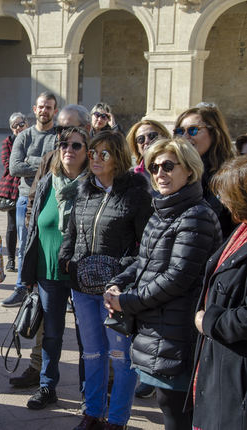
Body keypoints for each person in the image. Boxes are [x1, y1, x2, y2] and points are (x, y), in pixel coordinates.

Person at [104, 138, 221, 430]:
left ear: (190, 171)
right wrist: (118, 283)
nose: (160, 173)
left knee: (176, 410)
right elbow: (144, 261)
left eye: (169, 166)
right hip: (159, 327)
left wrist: (126, 302)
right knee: (168, 404)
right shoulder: (164, 210)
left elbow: (175, 278)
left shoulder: (196, 215)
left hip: (178, 332)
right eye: (154, 167)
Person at [59, 130, 152, 430]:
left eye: (104, 154)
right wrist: (67, 262)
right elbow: (70, 235)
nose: (95, 159)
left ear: (118, 158)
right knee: (92, 353)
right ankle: (93, 413)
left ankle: (117, 419)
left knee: (121, 357)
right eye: (93, 152)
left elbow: (145, 248)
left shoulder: (136, 194)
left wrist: (119, 272)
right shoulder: (83, 189)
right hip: (83, 289)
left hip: (116, 292)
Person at [11, 104, 92, 394]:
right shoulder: (48, 167)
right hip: (48, 267)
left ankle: (92, 391)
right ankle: (45, 383)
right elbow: (33, 207)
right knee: (50, 333)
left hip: (82, 271)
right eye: (60, 133)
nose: (65, 140)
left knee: (89, 336)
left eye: (73, 135)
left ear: (87, 132)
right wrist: (29, 265)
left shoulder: (96, 179)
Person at [188, 155, 247, 430]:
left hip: (237, 373)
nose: (222, 201)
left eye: (226, 195)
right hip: (222, 365)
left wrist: (208, 321)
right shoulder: (241, 230)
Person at [124, 119, 171, 399]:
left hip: (166, 252)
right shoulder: (134, 175)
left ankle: (155, 375)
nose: (146, 142)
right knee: (139, 319)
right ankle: (143, 372)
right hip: (139, 253)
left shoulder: (170, 168)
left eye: (152, 136)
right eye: (140, 139)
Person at [4, 92, 59, 307]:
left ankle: (48, 288)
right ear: (34, 109)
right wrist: (47, 163)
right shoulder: (24, 136)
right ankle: (21, 287)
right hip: (26, 198)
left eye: (49, 107)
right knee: (24, 244)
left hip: (53, 198)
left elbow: (60, 166)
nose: (44, 111)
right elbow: (15, 167)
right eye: (41, 107)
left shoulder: (59, 137)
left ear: (55, 111)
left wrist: (32, 160)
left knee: (51, 245)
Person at [173, 105, 236, 238]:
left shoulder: (230, 175)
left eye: (193, 130)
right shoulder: (172, 170)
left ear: (214, 133)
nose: (185, 136)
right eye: (180, 131)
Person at [0, 112, 28, 272]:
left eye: (21, 124)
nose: (18, 128)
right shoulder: (7, 142)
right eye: (15, 126)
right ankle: (10, 259)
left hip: (30, 188)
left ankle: (27, 259)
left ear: (26, 124)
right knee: (12, 226)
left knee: (28, 226)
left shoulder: (31, 139)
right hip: (13, 189)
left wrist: (22, 164)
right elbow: (9, 166)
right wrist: (27, 163)